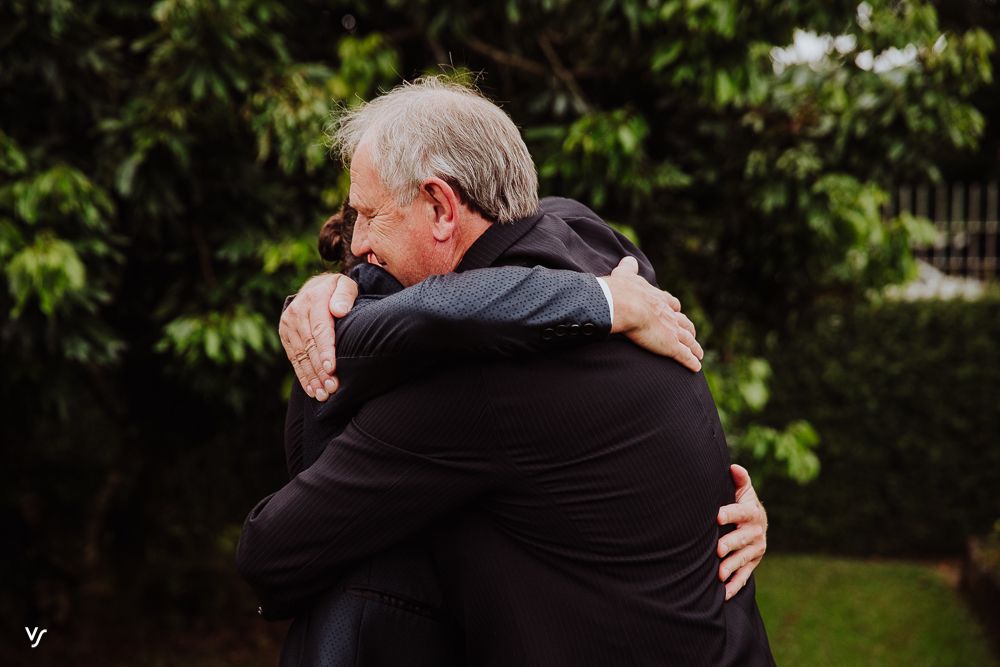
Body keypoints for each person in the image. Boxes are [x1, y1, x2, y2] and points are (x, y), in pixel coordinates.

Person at [238, 77, 773, 665]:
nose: (356, 241)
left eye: (367, 214)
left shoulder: (482, 381)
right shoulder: (590, 243)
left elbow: (274, 554)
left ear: (442, 207)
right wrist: (326, 290)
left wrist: (331, 319)